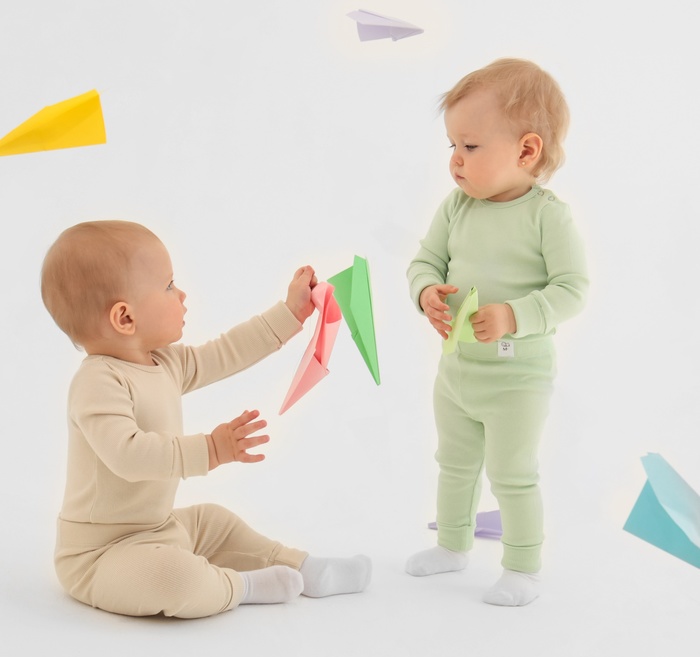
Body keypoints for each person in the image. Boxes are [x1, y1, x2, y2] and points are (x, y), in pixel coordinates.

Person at [41, 220, 371, 619]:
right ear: (125, 318)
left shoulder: (164, 362)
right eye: (168, 286)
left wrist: (290, 314)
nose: (181, 295)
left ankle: (303, 567)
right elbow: (127, 455)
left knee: (215, 522)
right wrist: (210, 450)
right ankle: (243, 586)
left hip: (159, 528)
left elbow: (225, 352)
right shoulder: (97, 381)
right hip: (100, 556)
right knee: (175, 578)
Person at [405, 58, 588, 606]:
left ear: (526, 151)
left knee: (512, 472)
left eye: (470, 146)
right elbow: (424, 262)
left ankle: (523, 567)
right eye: (452, 146)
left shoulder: (547, 217)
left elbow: (572, 290)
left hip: (516, 378)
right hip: (457, 372)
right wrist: (425, 292)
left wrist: (514, 315)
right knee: (454, 463)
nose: (455, 160)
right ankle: (452, 544)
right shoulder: (456, 206)